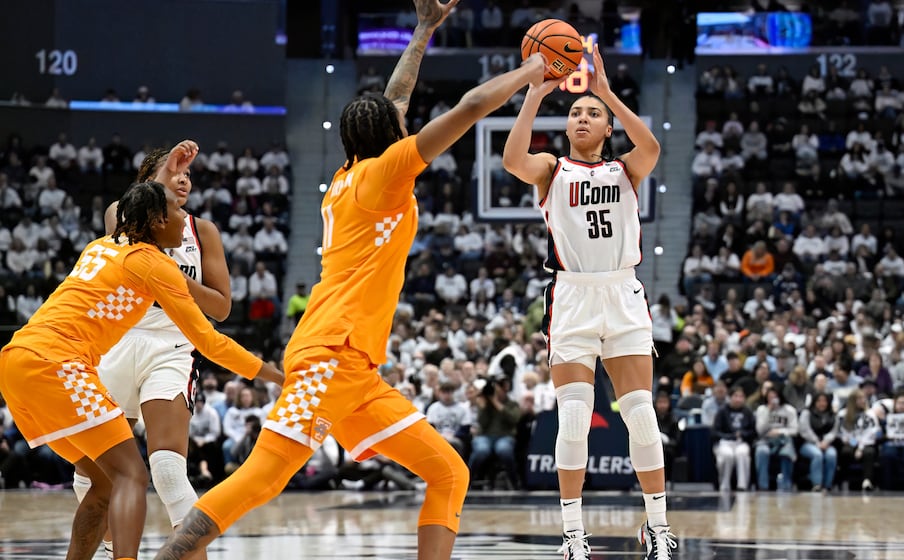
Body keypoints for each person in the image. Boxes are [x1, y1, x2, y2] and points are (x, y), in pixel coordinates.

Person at [154, 1, 547, 557]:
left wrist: (423, 30)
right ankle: (173, 553)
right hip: (329, 352)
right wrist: (534, 70)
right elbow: (470, 106)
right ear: (392, 137)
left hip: (357, 367)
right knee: (264, 476)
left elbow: (396, 98)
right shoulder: (387, 172)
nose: (406, 121)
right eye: (400, 126)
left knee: (448, 473)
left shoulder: (351, 172)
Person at [0, 179, 282, 560]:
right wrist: (275, 375)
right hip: (59, 364)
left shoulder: (100, 246)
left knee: (101, 483)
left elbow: (128, 210)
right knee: (132, 475)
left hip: (17, 360)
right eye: (176, 213)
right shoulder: (154, 264)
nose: (185, 221)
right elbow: (212, 343)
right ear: (154, 220)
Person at [501, 43, 676, 559]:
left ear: (605, 129)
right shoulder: (551, 170)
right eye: (576, 112)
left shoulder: (626, 169)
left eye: (591, 114)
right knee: (574, 417)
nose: (582, 117)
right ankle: (573, 533)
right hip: (573, 296)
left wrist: (607, 94)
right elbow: (512, 159)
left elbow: (653, 149)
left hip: (621, 293)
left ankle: (657, 529)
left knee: (641, 414)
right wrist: (534, 95)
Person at [72, 140, 233, 560]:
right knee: (90, 474)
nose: (184, 178)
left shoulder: (203, 232)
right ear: (148, 180)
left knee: (166, 469)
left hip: (171, 346)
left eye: (188, 173)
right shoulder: (118, 216)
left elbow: (221, 306)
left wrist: (171, 281)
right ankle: (111, 551)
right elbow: (125, 220)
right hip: (116, 341)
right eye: (174, 171)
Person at [754, 386, 798, 491]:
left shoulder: (789, 410)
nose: (773, 399)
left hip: (784, 439)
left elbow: (795, 430)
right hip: (765, 440)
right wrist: (768, 411)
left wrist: (779, 431)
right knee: (761, 452)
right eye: (770, 397)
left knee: (786, 453)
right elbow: (759, 430)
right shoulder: (761, 409)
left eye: (775, 396)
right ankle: (763, 485)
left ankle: (786, 484)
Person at [712, 385, 755, 492]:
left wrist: (742, 434)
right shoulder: (722, 411)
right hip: (725, 442)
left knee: (742, 454)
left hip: (741, 442)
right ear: (730, 397)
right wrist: (730, 436)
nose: (738, 399)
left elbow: (753, 431)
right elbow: (715, 432)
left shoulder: (747, 412)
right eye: (736, 396)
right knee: (727, 455)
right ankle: (724, 484)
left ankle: (742, 485)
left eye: (741, 396)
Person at [798, 392, 837, 492]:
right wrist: (816, 442)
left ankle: (828, 485)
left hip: (826, 444)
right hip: (808, 443)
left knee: (832, 455)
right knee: (817, 454)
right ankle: (817, 484)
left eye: (824, 401)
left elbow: (834, 431)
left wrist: (826, 441)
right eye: (819, 401)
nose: (822, 403)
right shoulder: (806, 413)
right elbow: (804, 430)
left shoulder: (833, 415)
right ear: (814, 402)